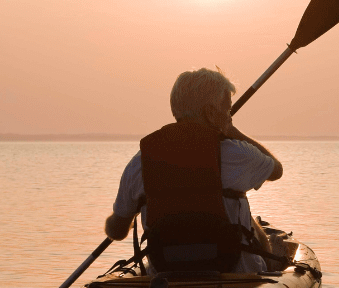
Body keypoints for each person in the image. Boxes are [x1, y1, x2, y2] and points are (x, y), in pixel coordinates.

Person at [105, 67, 284, 274]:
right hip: (236, 278)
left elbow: (117, 231)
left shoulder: (140, 162)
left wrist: (128, 212)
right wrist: (232, 131)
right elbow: (276, 170)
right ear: (210, 112)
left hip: (166, 276)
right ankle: (271, 264)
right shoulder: (239, 154)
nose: (230, 117)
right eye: (227, 110)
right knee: (247, 218)